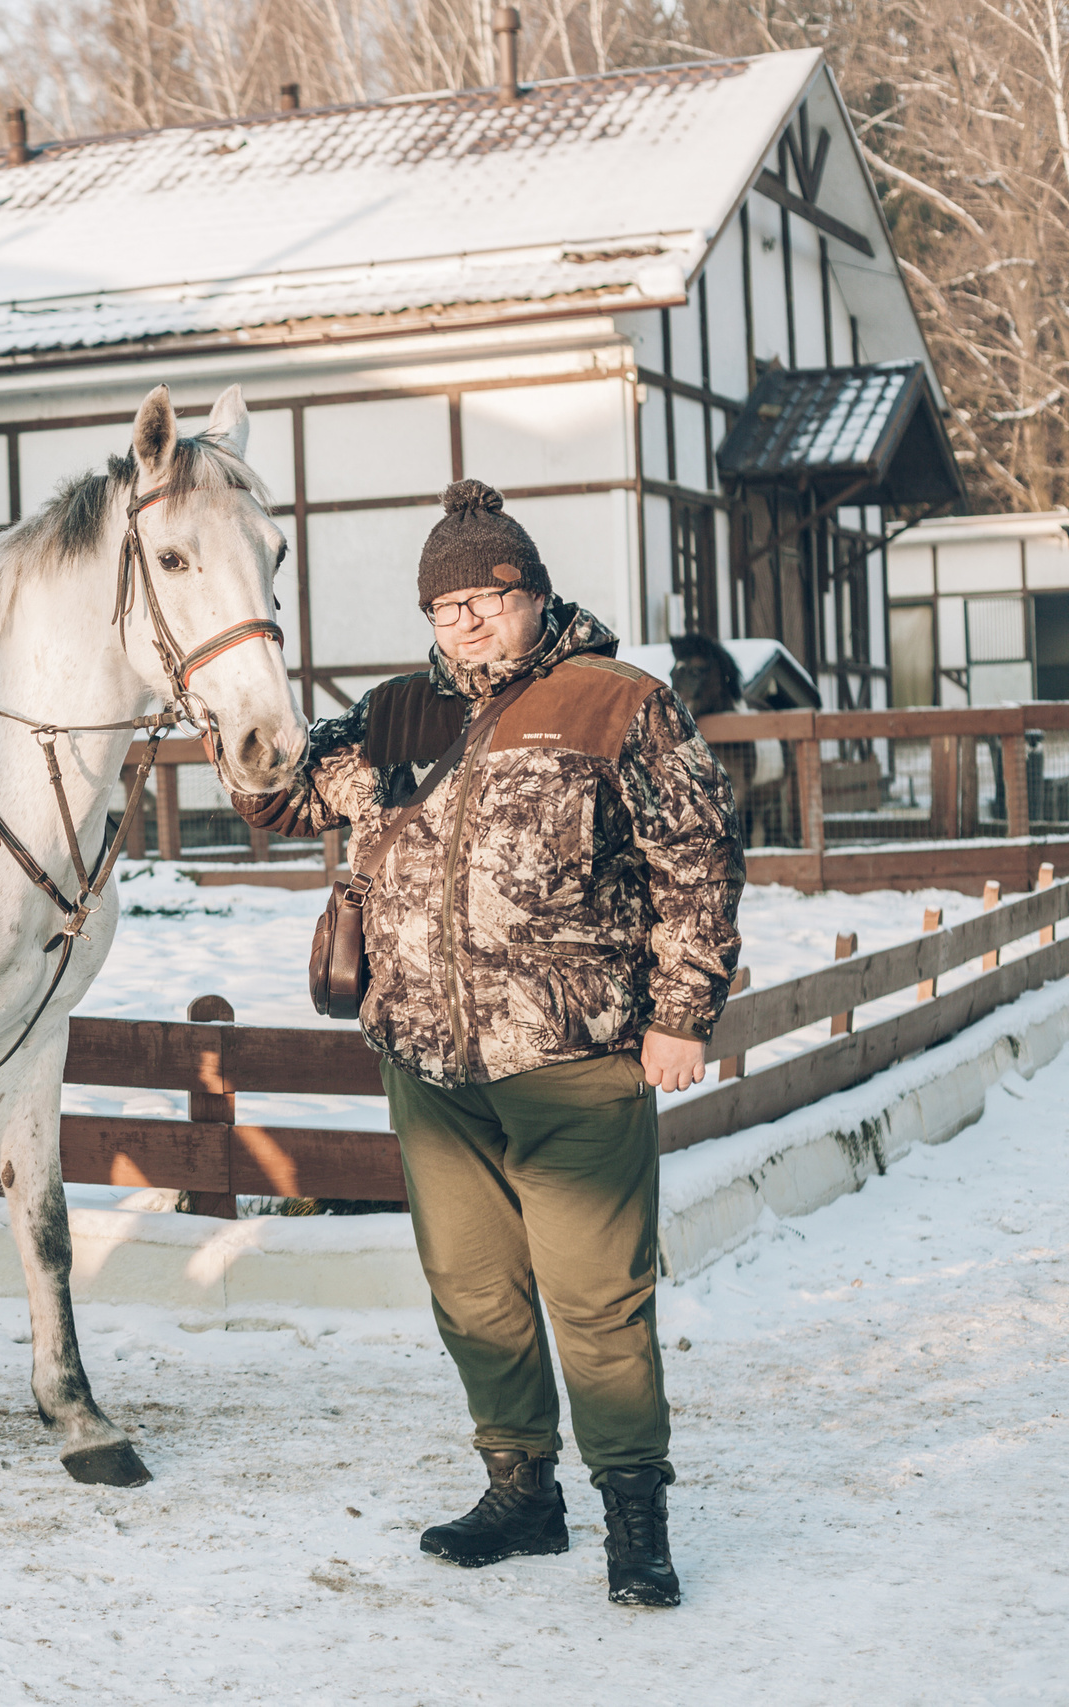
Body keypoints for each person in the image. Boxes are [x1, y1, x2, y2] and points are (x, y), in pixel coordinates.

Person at [232, 480, 743, 1609]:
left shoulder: (617, 702)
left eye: (486, 597)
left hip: (572, 1055)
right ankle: (521, 1494)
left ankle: (634, 1518)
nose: (463, 621)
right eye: (443, 603)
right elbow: (273, 796)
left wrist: (682, 1015)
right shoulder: (399, 713)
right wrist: (230, 691)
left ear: (534, 594)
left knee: (597, 1300)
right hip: (425, 1055)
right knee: (472, 1291)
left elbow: (697, 864)